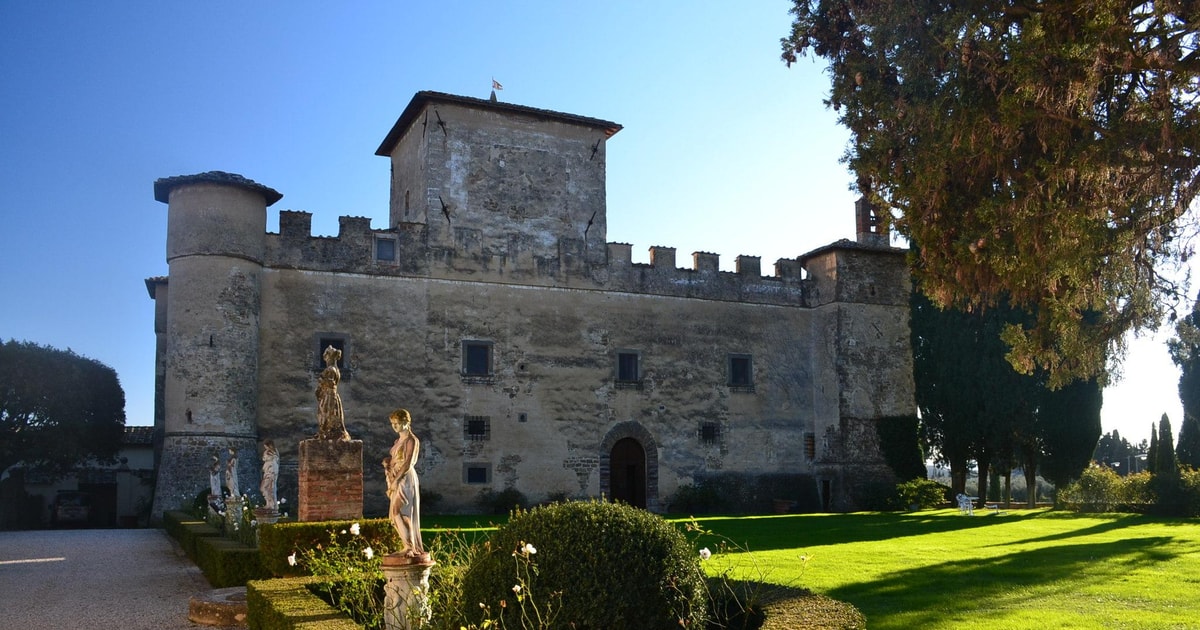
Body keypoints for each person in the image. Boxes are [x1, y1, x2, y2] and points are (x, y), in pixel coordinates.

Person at [384, 409, 426, 558]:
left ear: (406, 422)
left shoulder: (411, 440)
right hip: (396, 477)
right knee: (396, 514)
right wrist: (389, 464)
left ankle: (410, 547)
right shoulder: (398, 441)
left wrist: (395, 481)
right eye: (392, 424)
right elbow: (396, 458)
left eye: (397, 423)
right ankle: (406, 545)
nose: (394, 427)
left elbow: (408, 463)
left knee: (399, 511)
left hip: (405, 479)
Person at [315, 345, 350, 440]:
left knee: (327, 414)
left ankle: (327, 432)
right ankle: (328, 432)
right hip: (331, 395)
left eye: (326, 358)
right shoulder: (336, 369)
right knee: (330, 414)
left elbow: (330, 383)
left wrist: (321, 381)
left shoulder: (330, 370)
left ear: (328, 358)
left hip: (329, 396)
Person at [260, 440, 279, 511]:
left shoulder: (272, 453)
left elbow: (266, 459)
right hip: (268, 472)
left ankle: (271, 504)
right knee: (265, 488)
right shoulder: (270, 452)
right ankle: (269, 503)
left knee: (268, 488)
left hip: (271, 473)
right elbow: (264, 459)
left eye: (265, 446)